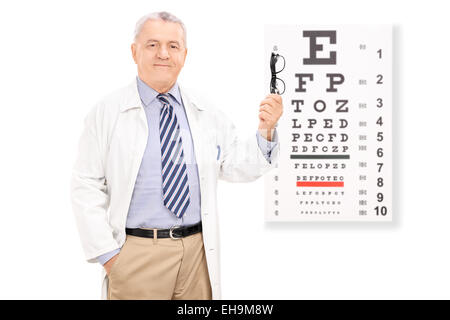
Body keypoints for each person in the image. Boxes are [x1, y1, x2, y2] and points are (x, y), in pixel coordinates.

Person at [70, 11, 283, 300]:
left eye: (173, 46)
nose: (163, 54)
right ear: (134, 52)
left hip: (197, 253)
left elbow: (234, 165)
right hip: (138, 255)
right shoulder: (107, 112)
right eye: (152, 44)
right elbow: (86, 185)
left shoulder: (203, 110)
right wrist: (110, 257)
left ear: (184, 54)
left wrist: (265, 130)